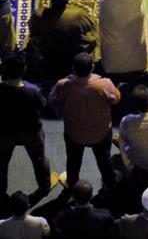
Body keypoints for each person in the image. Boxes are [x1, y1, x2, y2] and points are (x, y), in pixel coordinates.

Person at [50, 52, 121, 190]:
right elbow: (116, 98)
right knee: (104, 160)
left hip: (74, 134)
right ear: (92, 67)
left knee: (73, 160)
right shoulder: (104, 84)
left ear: (73, 68)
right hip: (101, 133)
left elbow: (53, 99)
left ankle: (72, 182)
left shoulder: (63, 85)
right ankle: (110, 182)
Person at [0, 51, 52, 205]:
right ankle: (44, 186)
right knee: (39, 160)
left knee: (1, 163)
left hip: (4, 134)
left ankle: (0, 192)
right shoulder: (33, 91)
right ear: (24, 69)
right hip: (30, 133)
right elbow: (42, 105)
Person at [25, 0, 97, 83]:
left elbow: (32, 29)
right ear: (67, 2)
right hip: (71, 55)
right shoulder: (77, 14)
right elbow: (92, 25)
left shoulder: (38, 14)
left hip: (46, 56)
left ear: (51, 0)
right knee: (94, 33)